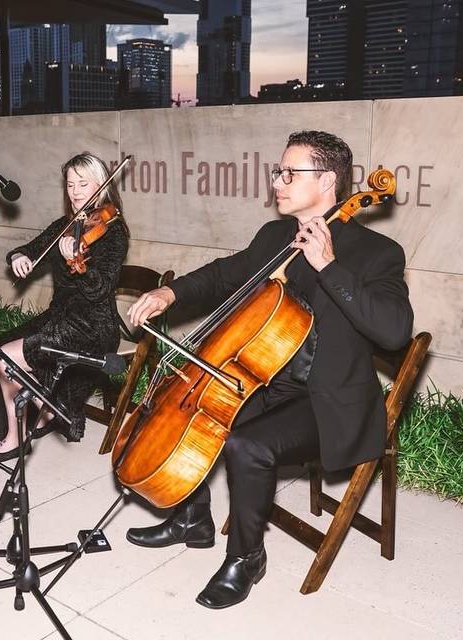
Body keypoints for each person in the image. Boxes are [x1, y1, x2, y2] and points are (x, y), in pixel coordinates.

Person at [124, 130, 414, 609]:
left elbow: (395, 332)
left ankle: (245, 558)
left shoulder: (375, 252)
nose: (277, 181)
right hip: (267, 380)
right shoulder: (275, 236)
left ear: (326, 181)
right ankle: (191, 519)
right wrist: (168, 293)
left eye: (289, 173)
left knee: (246, 444)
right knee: (194, 413)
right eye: (278, 172)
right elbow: (224, 273)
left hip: (328, 399)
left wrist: (329, 266)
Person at [0, 152, 129, 462]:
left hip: (93, 324)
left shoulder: (114, 232)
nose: (75, 191)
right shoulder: (66, 224)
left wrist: (78, 263)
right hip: (60, 315)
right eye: (70, 184)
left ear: (101, 186)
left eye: (84, 184)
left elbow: (99, 291)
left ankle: (17, 436)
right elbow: (30, 247)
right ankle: (43, 411)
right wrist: (19, 257)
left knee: (8, 360)